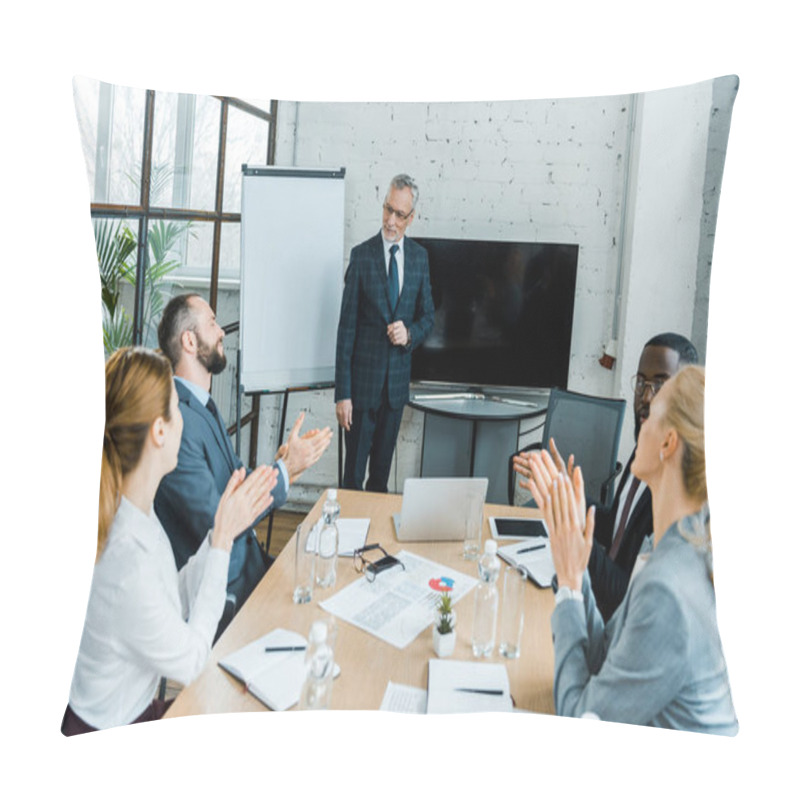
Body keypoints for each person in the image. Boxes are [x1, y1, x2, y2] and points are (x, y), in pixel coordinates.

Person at [63, 347, 277, 734]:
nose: (184, 421)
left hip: (129, 712)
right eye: (177, 408)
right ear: (160, 431)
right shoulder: (127, 559)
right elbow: (191, 661)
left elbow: (169, 598)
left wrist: (218, 534)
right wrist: (224, 539)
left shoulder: (134, 514)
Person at [525, 365, 738, 734]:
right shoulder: (676, 554)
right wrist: (574, 551)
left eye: (652, 413)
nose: (642, 419)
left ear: (668, 443)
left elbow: (579, 722)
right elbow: (602, 659)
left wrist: (572, 583)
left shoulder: (669, 591)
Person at [154, 293, 332, 632]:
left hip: (249, 563)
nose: (221, 331)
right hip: (224, 588)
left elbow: (235, 479)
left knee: (324, 587)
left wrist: (282, 465)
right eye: (211, 323)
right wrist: (285, 471)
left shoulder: (201, 406)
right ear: (190, 341)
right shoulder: (176, 420)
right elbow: (218, 520)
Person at [515, 332, 698, 620]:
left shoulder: (673, 490)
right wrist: (568, 491)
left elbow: (623, 594)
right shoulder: (644, 451)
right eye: (641, 383)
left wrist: (570, 524)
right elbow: (615, 525)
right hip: (590, 596)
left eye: (660, 384)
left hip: (611, 618)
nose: (646, 396)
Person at [335, 174, 435, 492]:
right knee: (352, 479)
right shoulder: (362, 256)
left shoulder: (419, 258)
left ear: (412, 217)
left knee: (379, 481)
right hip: (361, 392)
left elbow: (428, 317)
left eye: (400, 214)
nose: (391, 221)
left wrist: (410, 334)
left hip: (394, 392)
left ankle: (373, 540)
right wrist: (343, 394)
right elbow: (346, 329)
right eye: (388, 209)